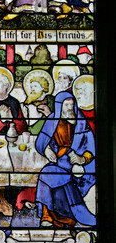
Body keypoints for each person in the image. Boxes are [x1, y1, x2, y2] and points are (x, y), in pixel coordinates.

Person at [34, 91, 96, 228]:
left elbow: (91, 147)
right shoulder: (53, 119)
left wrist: (82, 159)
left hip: (78, 164)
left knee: (50, 173)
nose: (69, 107)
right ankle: (48, 216)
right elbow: (41, 141)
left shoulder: (81, 123)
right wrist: (46, 149)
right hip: (60, 161)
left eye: (71, 104)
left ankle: (61, 216)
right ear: (59, 106)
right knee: (47, 173)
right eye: (66, 104)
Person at [0, 66, 27, 136]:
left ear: (6, 85)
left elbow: (23, 128)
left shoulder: (14, 102)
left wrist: (11, 118)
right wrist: (2, 120)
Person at [20, 69, 54, 135]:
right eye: (31, 87)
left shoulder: (51, 100)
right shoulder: (27, 103)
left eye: (35, 86)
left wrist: (49, 114)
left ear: (43, 87)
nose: (32, 89)